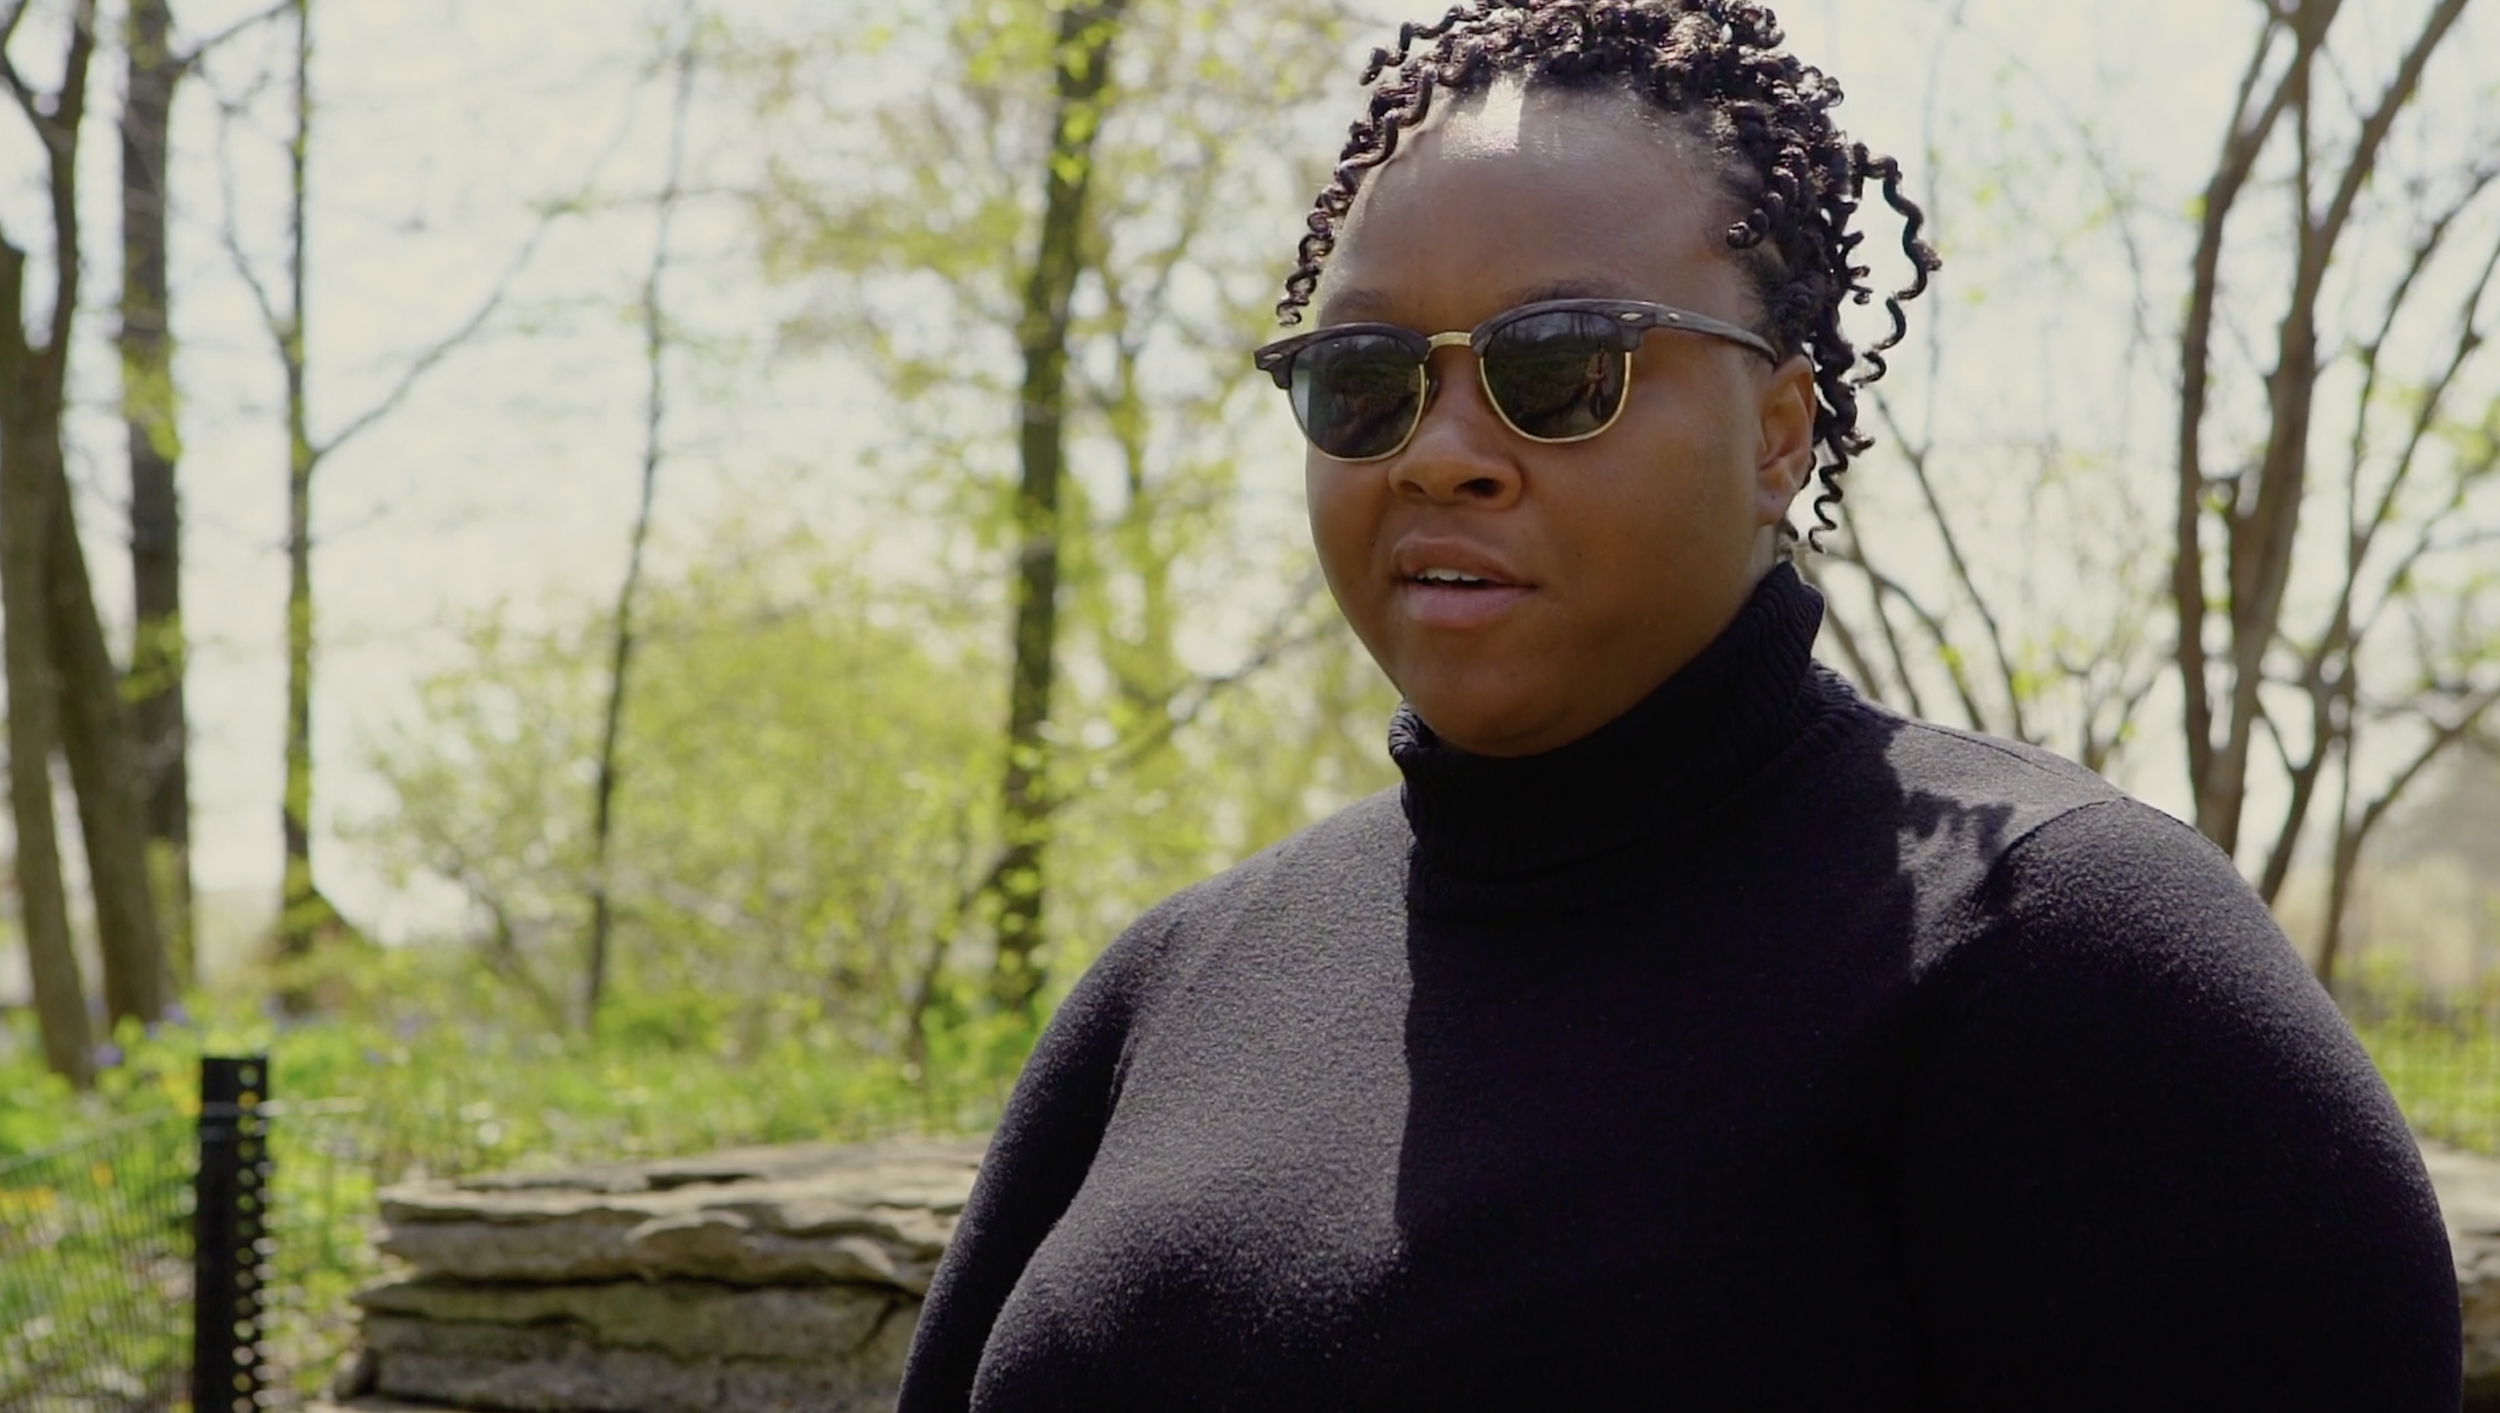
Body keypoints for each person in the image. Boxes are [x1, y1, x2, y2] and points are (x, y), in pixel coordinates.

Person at [896, 1, 2463, 1407]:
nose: (1441, 453)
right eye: (1367, 376)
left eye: (1559, 367)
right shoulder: (1176, 987)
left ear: (1780, 434)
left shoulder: (2067, 962)